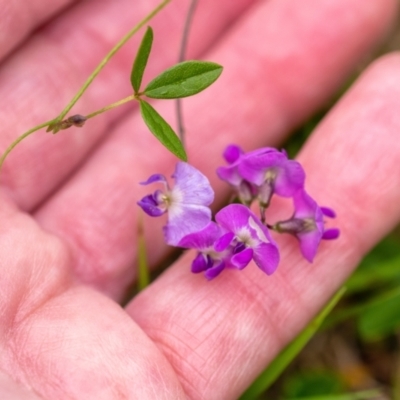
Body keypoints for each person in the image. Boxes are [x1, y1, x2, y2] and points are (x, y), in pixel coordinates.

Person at [0, 0, 399, 398]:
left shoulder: (233, 222)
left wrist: (235, 233)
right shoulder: (218, 222)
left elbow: (234, 230)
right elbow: (227, 231)